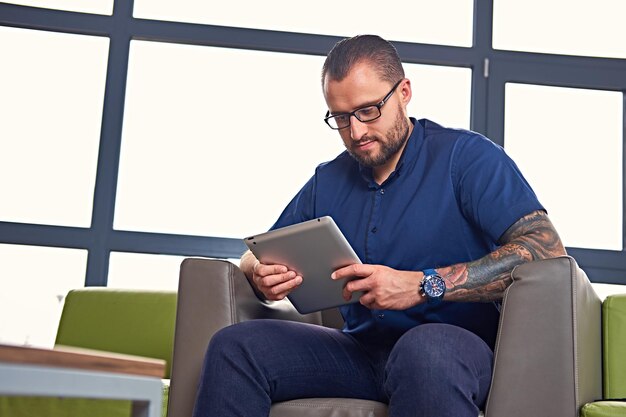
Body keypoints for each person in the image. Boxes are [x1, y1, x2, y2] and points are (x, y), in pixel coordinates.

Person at [192, 34, 567, 417]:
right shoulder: (328, 180)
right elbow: (255, 254)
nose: (355, 132)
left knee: (426, 350)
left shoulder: (468, 158)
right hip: (360, 351)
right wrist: (259, 272)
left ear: (403, 92)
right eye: (340, 118)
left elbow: (546, 250)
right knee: (234, 346)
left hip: (455, 350)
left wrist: (422, 285)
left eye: (368, 110)